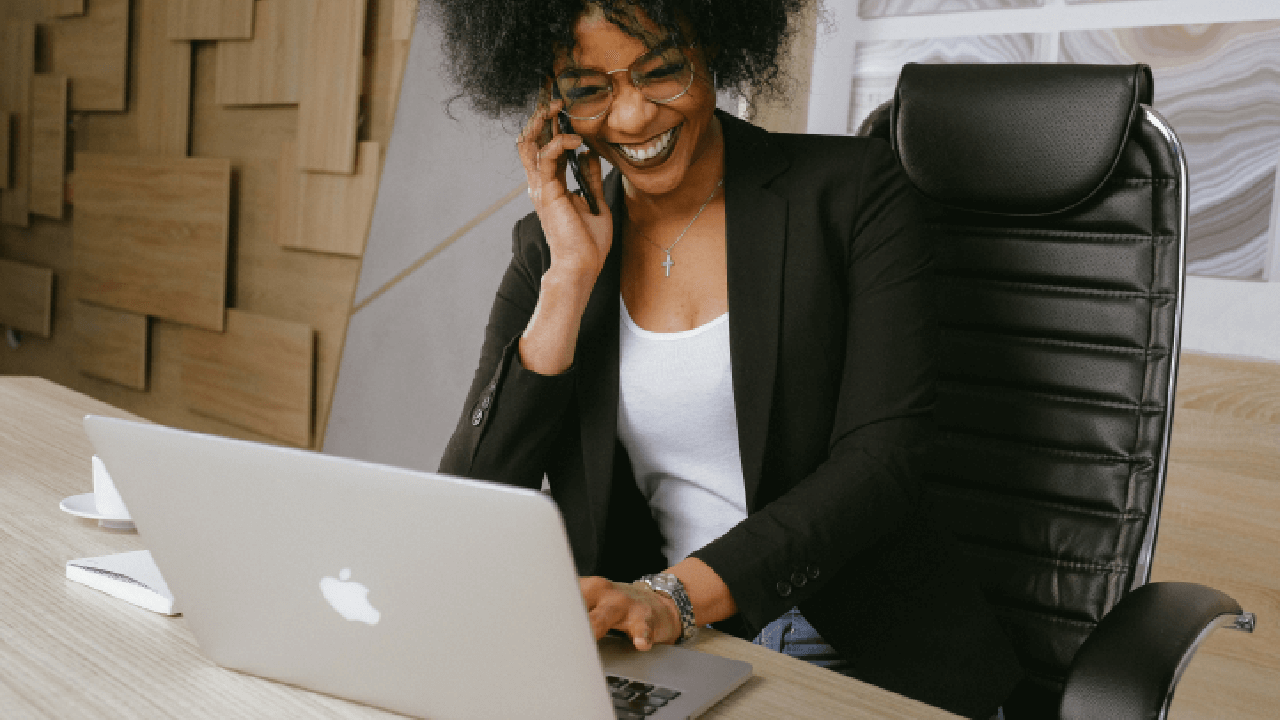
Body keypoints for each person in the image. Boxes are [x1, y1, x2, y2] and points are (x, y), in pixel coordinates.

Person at [430, 1, 1023, 717]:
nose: (631, 118)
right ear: (553, 105)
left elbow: (882, 460)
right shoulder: (552, 245)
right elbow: (472, 500)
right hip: (661, 654)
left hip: (859, 648)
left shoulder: (853, 192)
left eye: (662, 71)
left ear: (715, 47)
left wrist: (672, 596)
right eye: (589, 88)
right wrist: (568, 280)